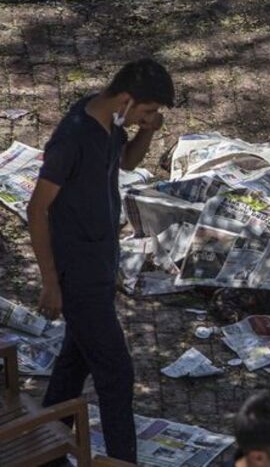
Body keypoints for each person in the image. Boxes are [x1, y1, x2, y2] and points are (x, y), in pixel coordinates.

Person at [27, 58, 174, 462]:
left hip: (101, 264)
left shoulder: (110, 122)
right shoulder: (72, 138)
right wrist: (51, 281)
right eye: (147, 111)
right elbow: (37, 209)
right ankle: (122, 460)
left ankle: (44, 451)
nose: (150, 117)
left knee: (74, 365)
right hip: (77, 273)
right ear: (126, 99)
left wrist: (145, 132)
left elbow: (126, 162)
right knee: (116, 373)